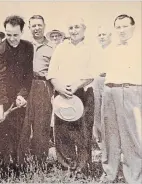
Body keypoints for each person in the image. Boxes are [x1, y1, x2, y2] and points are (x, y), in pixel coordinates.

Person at [0, 15, 33, 181]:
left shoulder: (28, 47)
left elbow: (28, 75)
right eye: (8, 34)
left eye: (15, 35)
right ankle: (0, 171)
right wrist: (0, 108)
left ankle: (14, 167)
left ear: (22, 32)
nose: (11, 39)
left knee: (17, 132)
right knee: (1, 134)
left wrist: (22, 95)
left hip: (19, 97)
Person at [46, 17, 94, 178]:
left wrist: (76, 86)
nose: (73, 31)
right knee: (62, 131)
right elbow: (51, 72)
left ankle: (82, 167)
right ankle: (67, 165)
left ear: (84, 29)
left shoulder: (89, 48)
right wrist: (59, 87)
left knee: (83, 131)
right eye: (71, 27)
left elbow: (92, 74)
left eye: (77, 27)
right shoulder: (61, 48)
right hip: (62, 92)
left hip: (82, 92)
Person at [100, 14, 142, 184]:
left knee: (131, 135)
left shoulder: (139, 45)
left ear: (133, 27)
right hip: (109, 90)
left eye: (125, 26)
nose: (121, 30)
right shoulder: (111, 47)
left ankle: (134, 176)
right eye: (118, 27)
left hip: (130, 89)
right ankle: (109, 173)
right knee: (109, 134)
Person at [18, 15, 54, 165]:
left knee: (41, 125)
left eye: (39, 25)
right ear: (29, 28)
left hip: (43, 85)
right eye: (33, 26)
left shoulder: (52, 47)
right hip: (25, 86)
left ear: (44, 25)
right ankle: (21, 162)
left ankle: (40, 163)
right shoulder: (23, 45)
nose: (37, 28)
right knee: (23, 124)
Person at [91, 26, 112, 145]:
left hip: (110, 82)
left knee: (109, 112)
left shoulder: (115, 49)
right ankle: (100, 141)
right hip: (97, 82)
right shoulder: (96, 51)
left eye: (104, 34)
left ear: (110, 36)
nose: (102, 37)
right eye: (99, 35)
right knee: (97, 111)